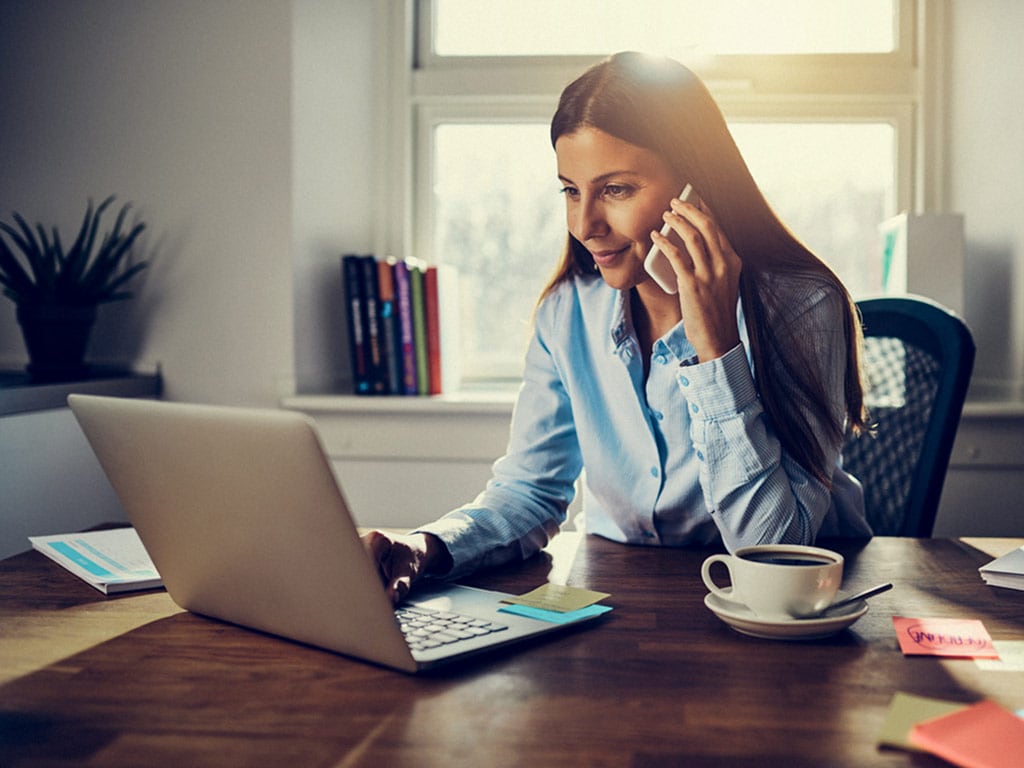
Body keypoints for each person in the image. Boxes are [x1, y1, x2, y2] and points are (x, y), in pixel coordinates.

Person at [364, 52, 872, 604]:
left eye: (617, 190)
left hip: (790, 616)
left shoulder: (799, 306)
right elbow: (530, 492)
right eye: (570, 190)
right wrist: (424, 546)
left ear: (696, 189)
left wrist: (716, 348)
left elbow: (773, 549)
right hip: (618, 603)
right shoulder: (567, 312)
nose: (585, 225)